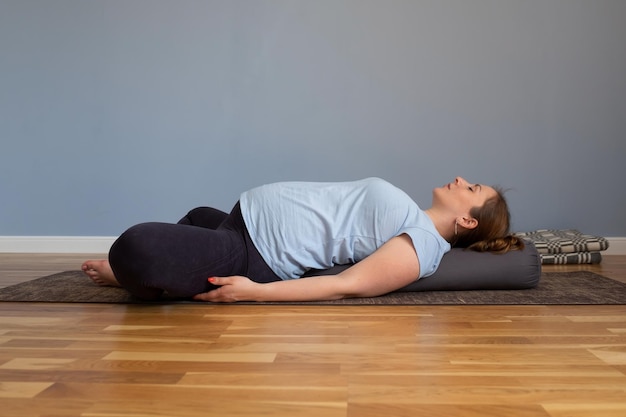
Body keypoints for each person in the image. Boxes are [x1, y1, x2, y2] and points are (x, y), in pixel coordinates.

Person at [82, 176, 524, 302]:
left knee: (135, 247)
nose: (461, 179)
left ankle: (133, 279)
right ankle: (165, 278)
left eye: (472, 190)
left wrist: (258, 293)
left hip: (256, 254)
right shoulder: (413, 214)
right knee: (199, 214)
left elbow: (346, 284)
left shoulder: (423, 246)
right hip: (242, 222)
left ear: (468, 222)